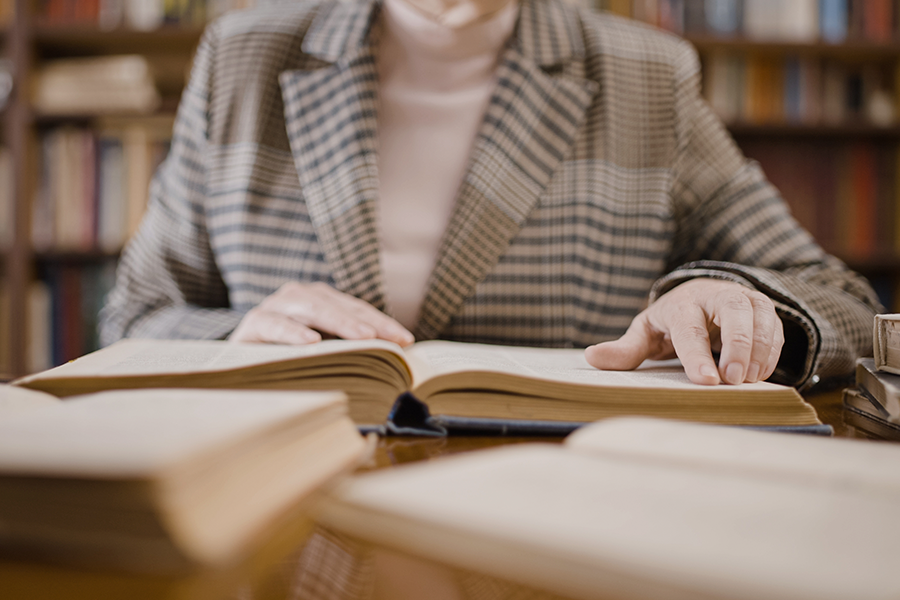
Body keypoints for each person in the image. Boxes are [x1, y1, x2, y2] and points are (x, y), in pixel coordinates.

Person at [99, 0, 881, 391]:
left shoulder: (648, 76)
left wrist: (734, 300)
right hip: (275, 489)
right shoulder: (242, 56)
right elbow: (135, 316)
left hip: (551, 501)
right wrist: (239, 335)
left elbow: (838, 297)